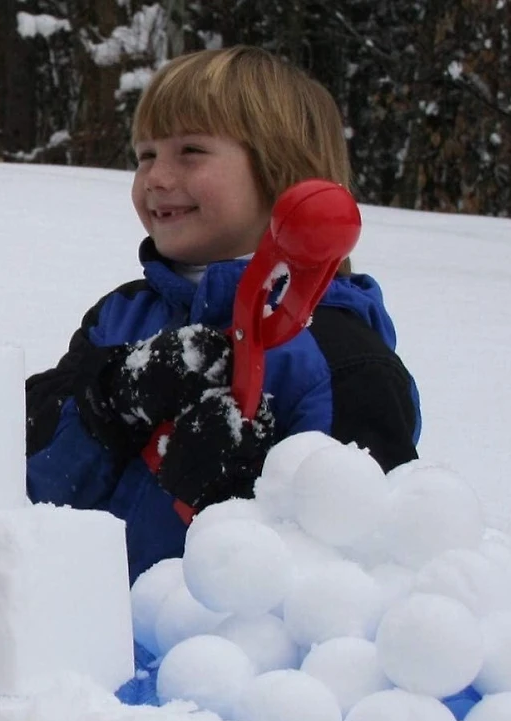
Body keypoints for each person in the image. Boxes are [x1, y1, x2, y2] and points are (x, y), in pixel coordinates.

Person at [26, 45, 421, 584]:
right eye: (144, 155)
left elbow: (362, 580)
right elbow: (21, 478)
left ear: (286, 175)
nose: (156, 178)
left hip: (211, 658)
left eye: (190, 151)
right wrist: (107, 403)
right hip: (71, 635)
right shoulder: (119, 317)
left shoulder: (341, 359)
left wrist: (240, 500)